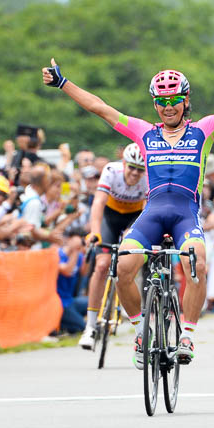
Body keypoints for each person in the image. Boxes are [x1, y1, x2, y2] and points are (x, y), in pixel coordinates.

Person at [43, 57, 214, 368]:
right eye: (162, 101)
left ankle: (188, 335)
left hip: (185, 214)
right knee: (122, 266)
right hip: (152, 212)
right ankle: (141, 330)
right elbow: (99, 108)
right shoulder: (143, 132)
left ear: (185, 101)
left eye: (175, 100)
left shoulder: (203, 131)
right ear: (155, 104)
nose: (169, 107)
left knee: (196, 261)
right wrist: (63, 83)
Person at [78, 143, 147, 349]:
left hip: (135, 217)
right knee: (101, 266)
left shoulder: (148, 178)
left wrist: (132, 235)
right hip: (110, 216)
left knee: (128, 259)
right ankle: (90, 327)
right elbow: (98, 202)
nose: (135, 173)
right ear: (123, 163)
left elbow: (147, 209)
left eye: (139, 169)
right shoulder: (111, 171)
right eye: (131, 167)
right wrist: (95, 231)